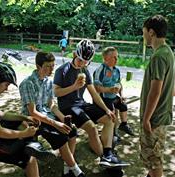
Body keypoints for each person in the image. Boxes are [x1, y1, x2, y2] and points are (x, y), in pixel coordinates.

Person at [53, 39, 128, 167]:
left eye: (86, 61)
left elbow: (94, 94)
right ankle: (103, 158)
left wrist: (106, 110)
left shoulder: (85, 71)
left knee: (109, 119)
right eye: (80, 60)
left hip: (81, 104)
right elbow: (56, 92)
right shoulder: (62, 70)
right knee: (92, 128)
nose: (82, 63)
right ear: (74, 54)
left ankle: (108, 154)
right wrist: (74, 87)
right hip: (67, 107)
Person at [19, 51, 85, 177]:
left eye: (53, 66)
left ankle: (67, 168)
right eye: (47, 66)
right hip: (33, 120)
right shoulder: (27, 83)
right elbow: (32, 112)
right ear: (38, 67)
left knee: (72, 131)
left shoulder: (48, 82)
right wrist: (55, 123)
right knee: (60, 137)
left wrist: (62, 117)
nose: (51, 69)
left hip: (46, 116)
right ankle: (76, 170)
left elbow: (51, 105)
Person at [140, 15, 175, 177]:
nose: (144, 36)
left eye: (144, 32)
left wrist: (146, 118)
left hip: (155, 118)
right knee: (154, 155)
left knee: (154, 161)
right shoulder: (168, 52)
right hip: (162, 115)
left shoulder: (159, 56)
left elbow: (155, 90)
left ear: (151, 32)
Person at [93, 47, 134, 141]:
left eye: (117, 57)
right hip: (103, 99)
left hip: (113, 97)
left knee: (123, 106)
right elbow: (96, 88)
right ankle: (113, 134)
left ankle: (123, 125)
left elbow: (119, 84)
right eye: (114, 57)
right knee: (112, 112)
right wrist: (109, 90)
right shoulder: (100, 70)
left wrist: (121, 94)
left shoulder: (116, 70)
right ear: (106, 58)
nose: (117, 59)